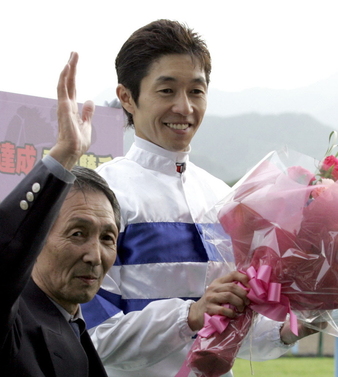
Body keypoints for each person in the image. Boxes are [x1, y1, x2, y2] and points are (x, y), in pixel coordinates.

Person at [81, 19, 317, 377]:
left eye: (196, 91)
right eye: (167, 91)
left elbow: (241, 323)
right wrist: (191, 315)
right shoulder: (102, 196)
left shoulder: (227, 198)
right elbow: (94, 338)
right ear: (127, 97)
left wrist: (302, 320)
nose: (185, 108)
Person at [0, 52, 121, 377]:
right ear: (35, 239)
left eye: (107, 237)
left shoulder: (74, 324)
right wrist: (62, 158)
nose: (95, 255)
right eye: (77, 233)